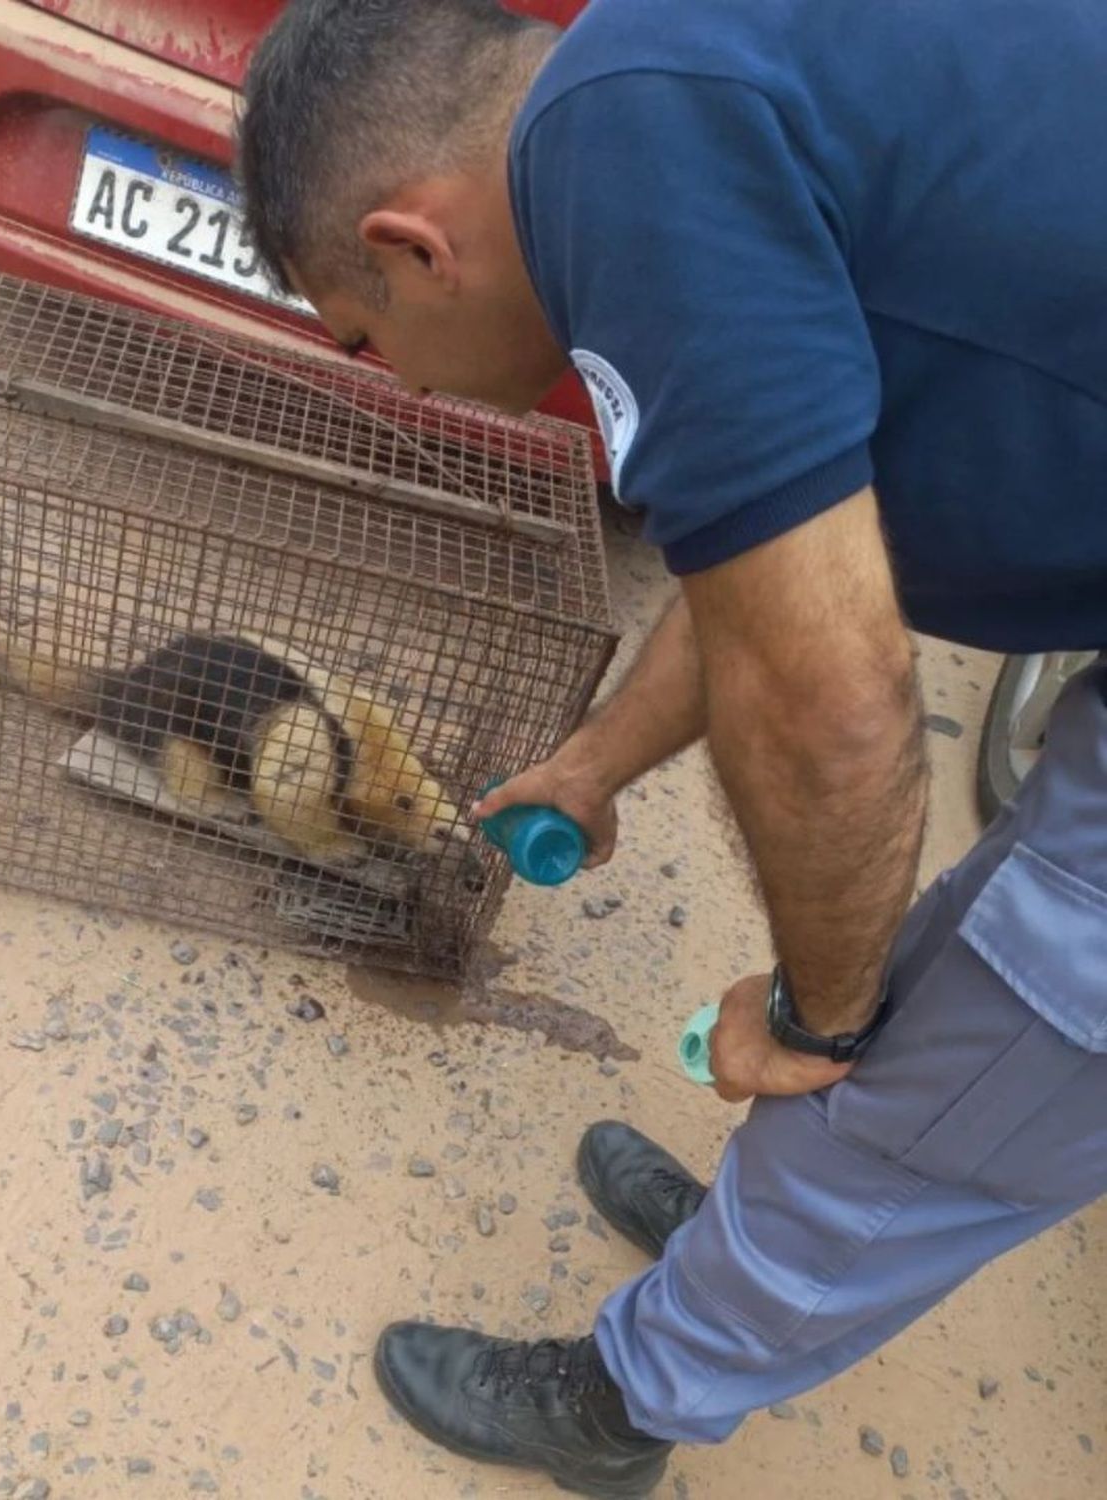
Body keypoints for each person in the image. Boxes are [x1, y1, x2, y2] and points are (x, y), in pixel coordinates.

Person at [236, 1, 1107, 1494]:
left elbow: (833, 702)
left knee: (999, 1043)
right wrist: (594, 763)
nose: (414, 389)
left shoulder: (615, 153)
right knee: (955, 967)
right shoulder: (672, 84)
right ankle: (747, 1233)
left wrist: (816, 1025)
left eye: (374, 339)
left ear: (414, 245)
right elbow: (782, 535)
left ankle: (628, 1401)